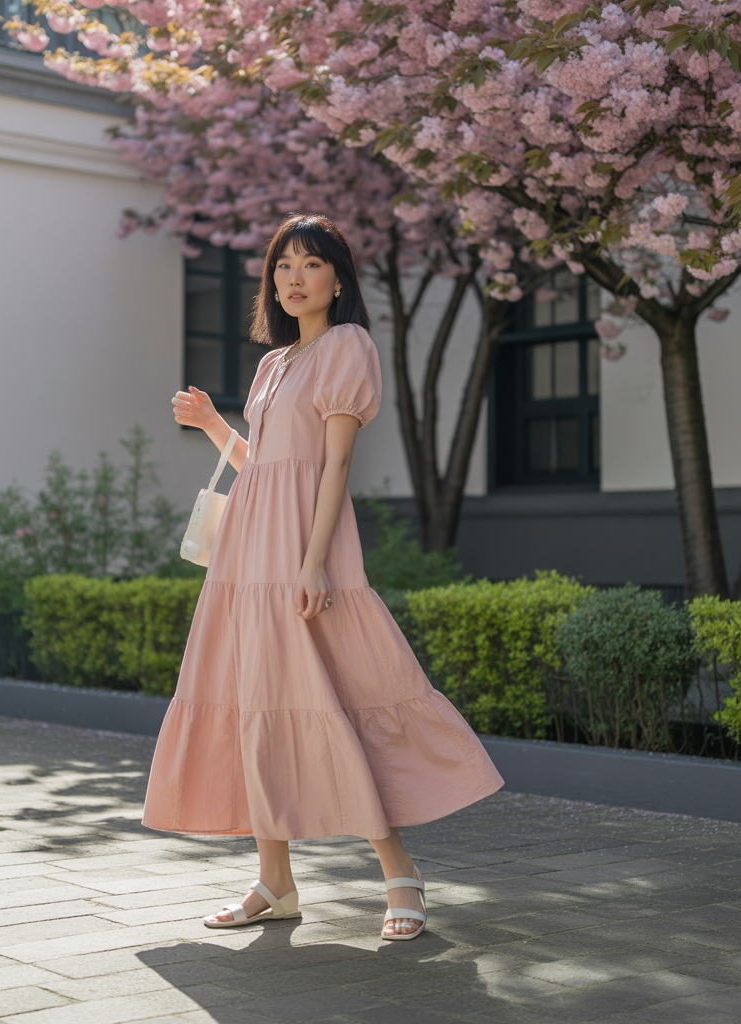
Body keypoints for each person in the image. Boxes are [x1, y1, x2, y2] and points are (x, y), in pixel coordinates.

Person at [145, 213, 504, 940]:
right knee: (255, 704)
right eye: (282, 266)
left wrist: (313, 561)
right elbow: (266, 472)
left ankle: (399, 872)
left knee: (337, 696)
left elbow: (333, 466)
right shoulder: (273, 364)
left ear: (338, 278)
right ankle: (273, 883)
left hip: (306, 554)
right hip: (247, 560)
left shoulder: (347, 346)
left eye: (310, 264)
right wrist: (216, 426)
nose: (293, 278)